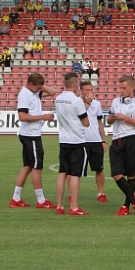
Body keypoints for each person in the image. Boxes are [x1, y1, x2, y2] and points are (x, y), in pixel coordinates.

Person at [9, 73, 57, 209]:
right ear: (29, 84)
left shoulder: (34, 93)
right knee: (37, 167)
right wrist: (43, 116)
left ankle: (16, 197)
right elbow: (22, 117)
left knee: (28, 166)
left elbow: (53, 92)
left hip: (29, 134)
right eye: (37, 87)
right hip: (31, 135)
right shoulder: (25, 95)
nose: (39, 89)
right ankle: (41, 200)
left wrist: (40, 87)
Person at [107, 75, 135, 216]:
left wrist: (126, 118)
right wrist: (111, 118)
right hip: (116, 139)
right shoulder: (115, 102)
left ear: (132, 87)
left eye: (124, 88)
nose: (122, 90)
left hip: (132, 139)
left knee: (131, 175)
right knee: (116, 174)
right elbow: (109, 120)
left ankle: (126, 206)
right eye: (120, 87)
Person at [54, 72, 91, 216]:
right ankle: (74, 207)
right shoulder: (76, 101)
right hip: (76, 140)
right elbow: (86, 122)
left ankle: (59, 205)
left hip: (64, 139)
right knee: (75, 174)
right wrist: (87, 104)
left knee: (62, 173)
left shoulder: (58, 99)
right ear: (75, 85)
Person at [81, 81, 109, 204]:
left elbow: (100, 123)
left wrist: (103, 139)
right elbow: (79, 116)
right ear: (81, 91)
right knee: (76, 170)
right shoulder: (78, 103)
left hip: (95, 140)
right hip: (81, 140)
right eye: (86, 90)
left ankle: (101, 193)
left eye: (91, 90)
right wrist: (87, 103)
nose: (89, 92)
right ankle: (73, 193)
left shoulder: (97, 104)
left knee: (99, 168)